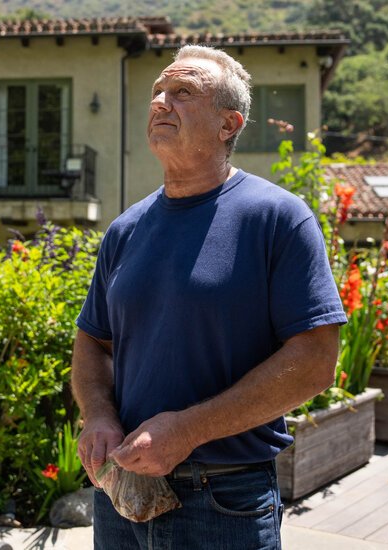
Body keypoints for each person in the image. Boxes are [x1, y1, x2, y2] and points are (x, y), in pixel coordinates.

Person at [72, 44, 347, 549]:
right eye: (158, 90)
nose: (160, 102)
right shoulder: (125, 230)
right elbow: (93, 342)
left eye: (182, 92)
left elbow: (315, 362)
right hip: (120, 496)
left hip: (223, 500)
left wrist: (187, 430)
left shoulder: (278, 218)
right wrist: (99, 415)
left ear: (228, 124)